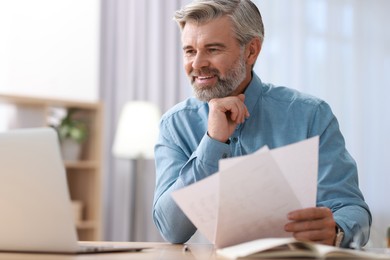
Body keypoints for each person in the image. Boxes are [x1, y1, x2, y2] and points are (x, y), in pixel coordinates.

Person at [152, 0, 371, 248]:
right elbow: (171, 229)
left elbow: (353, 210)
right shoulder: (176, 124)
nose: (197, 63)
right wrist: (213, 142)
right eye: (190, 51)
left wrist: (336, 231)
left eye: (212, 49)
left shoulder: (310, 115)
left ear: (251, 51)